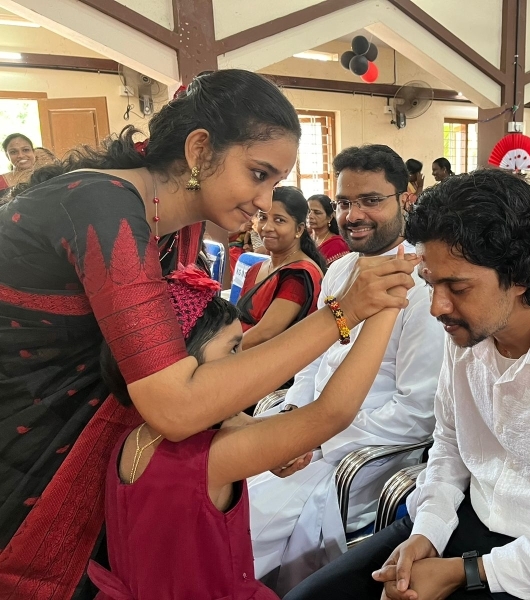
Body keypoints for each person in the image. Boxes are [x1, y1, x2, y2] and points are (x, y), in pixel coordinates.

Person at [0, 70, 418, 599]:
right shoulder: (105, 208)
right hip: (32, 441)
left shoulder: (176, 223)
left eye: (275, 183)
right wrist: (345, 312)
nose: (265, 201)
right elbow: (175, 403)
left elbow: (173, 365)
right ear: (199, 150)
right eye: (258, 174)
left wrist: (248, 426)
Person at [287, 169, 530, 600]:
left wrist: (466, 572)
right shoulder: (469, 333)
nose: (437, 306)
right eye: (431, 283)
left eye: (457, 287)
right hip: (466, 518)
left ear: (521, 275)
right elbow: (450, 444)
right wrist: (428, 532)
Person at [89, 263, 406, 599]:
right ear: (182, 366)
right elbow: (332, 412)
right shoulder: (212, 459)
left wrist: (257, 432)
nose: (244, 362)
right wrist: (383, 309)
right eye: (233, 350)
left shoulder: (135, 436)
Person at [248, 144, 444, 594]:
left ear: (406, 198)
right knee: (218, 491)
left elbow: (418, 411)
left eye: (370, 200)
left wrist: (315, 439)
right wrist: (291, 418)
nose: (353, 215)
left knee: (244, 524)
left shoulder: (424, 284)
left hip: (366, 454)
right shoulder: (339, 271)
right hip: (310, 433)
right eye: (343, 202)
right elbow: (313, 362)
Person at [238, 187, 326, 351]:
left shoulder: (299, 275)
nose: (266, 227)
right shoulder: (256, 269)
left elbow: (265, 334)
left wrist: (222, 355)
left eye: (279, 220)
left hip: (264, 360)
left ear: (299, 229)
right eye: (263, 218)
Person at [306, 193, 350, 265]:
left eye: (317, 213)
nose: (310, 216)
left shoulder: (337, 245)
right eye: (308, 211)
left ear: (329, 217)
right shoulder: (305, 239)